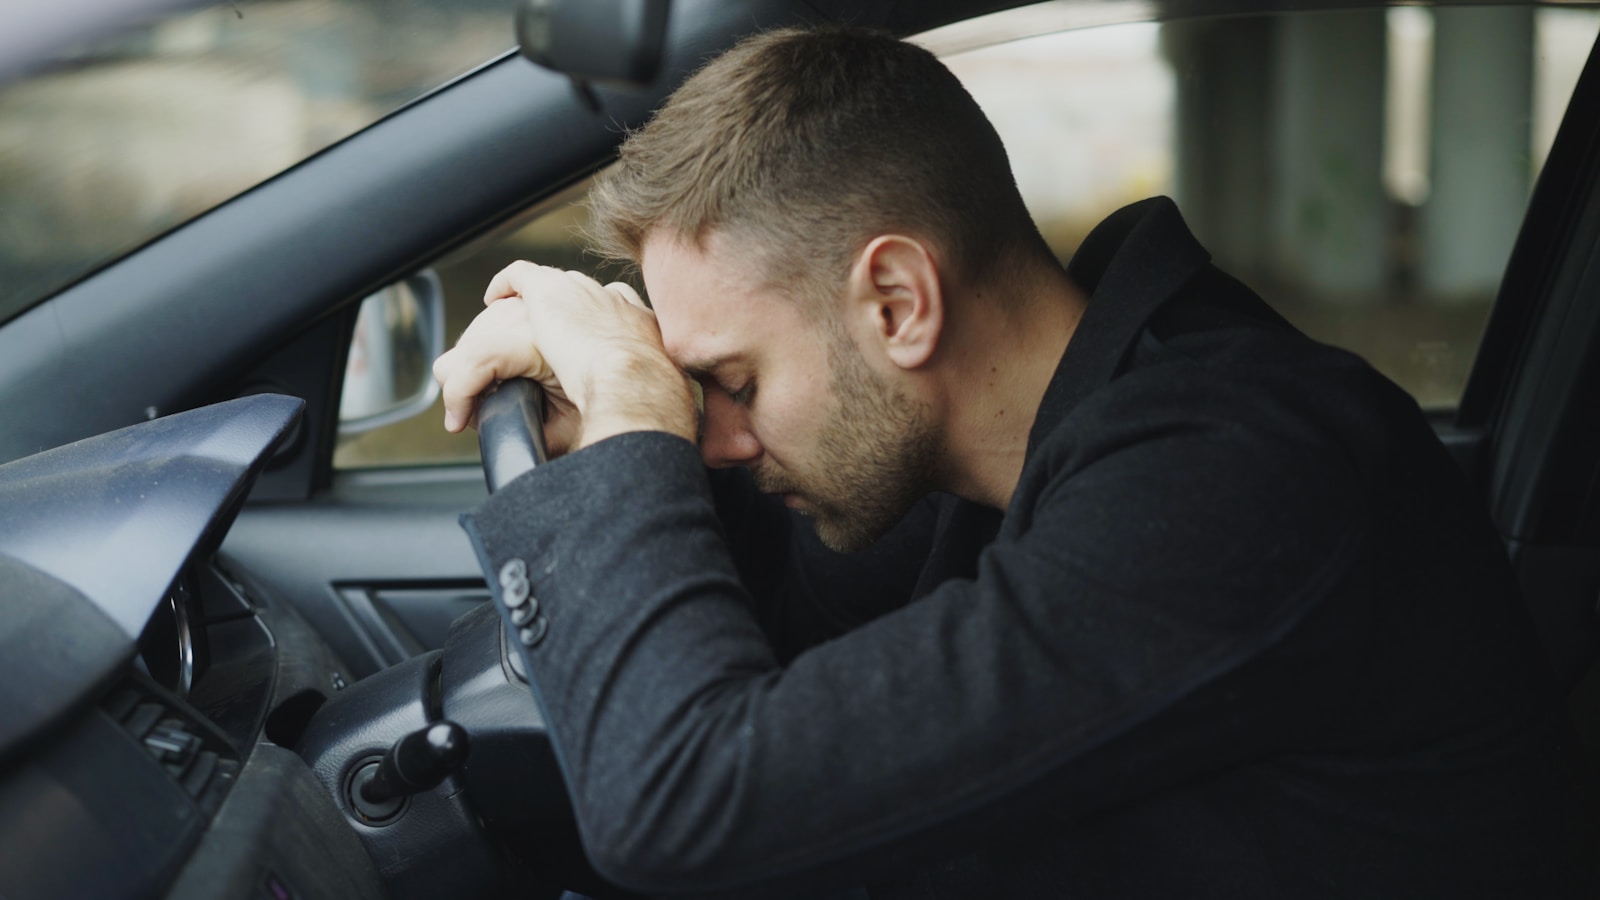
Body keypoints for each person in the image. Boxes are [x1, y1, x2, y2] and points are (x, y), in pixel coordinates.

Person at [432, 26, 1588, 900]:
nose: (717, 441)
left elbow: (684, 805)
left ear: (896, 302)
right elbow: (782, 643)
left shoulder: (1233, 475)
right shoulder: (980, 456)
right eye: (697, 396)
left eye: (731, 384)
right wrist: (639, 422)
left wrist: (634, 424)